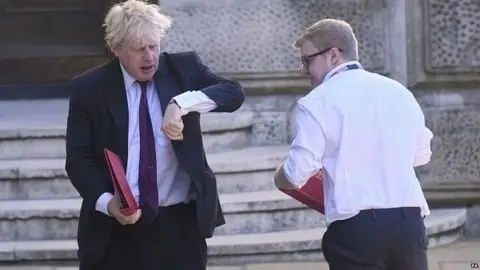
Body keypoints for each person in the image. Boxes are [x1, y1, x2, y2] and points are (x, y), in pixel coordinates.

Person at [65, 1, 245, 269]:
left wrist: (181, 103)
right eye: (139, 49)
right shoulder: (88, 88)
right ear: (116, 50)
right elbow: (78, 160)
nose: (149, 57)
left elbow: (233, 93)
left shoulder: (183, 68)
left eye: (154, 46)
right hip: (115, 227)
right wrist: (108, 203)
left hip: (178, 227)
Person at [273, 19, 433, 270]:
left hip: (357, 229)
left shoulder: (316, 101)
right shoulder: (399, 91)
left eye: (307, 60)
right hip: (409, 224)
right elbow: (421, 156)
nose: (303, 69)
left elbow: (295, 175)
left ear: (333, 55)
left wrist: (278, 176)